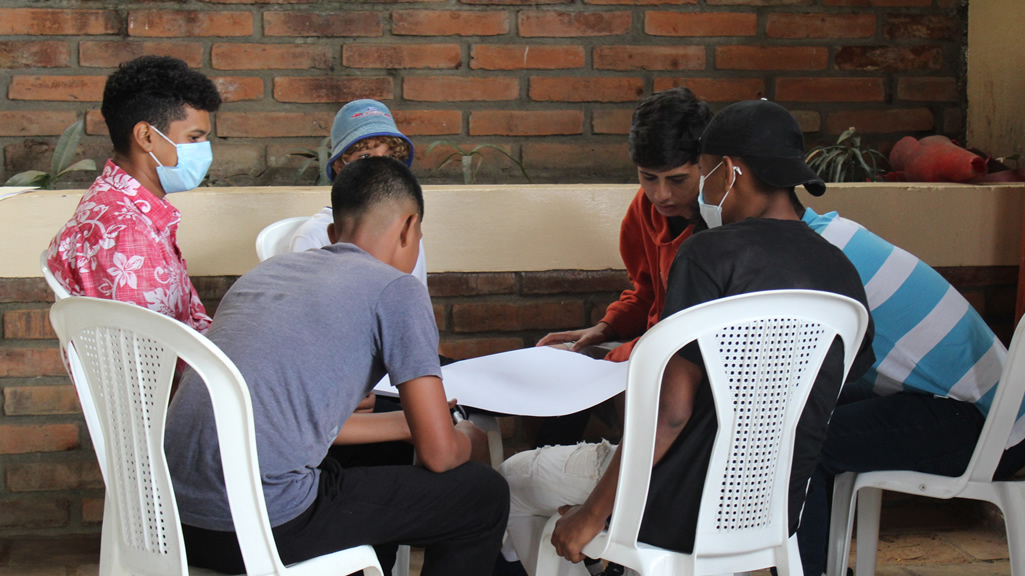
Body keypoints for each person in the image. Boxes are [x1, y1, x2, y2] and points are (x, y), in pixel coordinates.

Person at [500, 100, 875, 576]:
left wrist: (593, 514)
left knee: (510, 480)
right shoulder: (839, 270)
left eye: (702, 171)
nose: (699, 187)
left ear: (730, 172)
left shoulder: (708, 254)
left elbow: (672, 413)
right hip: (773, 509)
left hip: (675, 503)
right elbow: (836, 387)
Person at [164, 157, 508, 576]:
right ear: (408, 227)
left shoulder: (263, 275)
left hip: (173, 521)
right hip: (264, 524)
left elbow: (283, 421)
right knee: (483, 496)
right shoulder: (397, 290)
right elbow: (438, 455)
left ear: (332, 234)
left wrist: (405, 426)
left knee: (384, 457)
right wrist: (465, 439)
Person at [794, 175, 1025, 573]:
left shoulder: (814, 259)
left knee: (802, 441)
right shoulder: (832, 232)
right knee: (805, 419)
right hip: (988, 410)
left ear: (737, 178)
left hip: (986, 426)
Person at [45, 55, 221, 332]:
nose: (204, 149)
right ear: (146, 137)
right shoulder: (126, 232)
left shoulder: (114, 202)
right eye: (194, 137)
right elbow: (147, 359)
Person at [537, 87, 712, 362]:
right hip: (646, 351)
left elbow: (694, 333)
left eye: (677, 180)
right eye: (648, 177)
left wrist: (609, 362)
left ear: (706, 165)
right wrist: (606, 327)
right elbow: (647, 295)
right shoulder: (644, 207)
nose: (661, 194)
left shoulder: (727, 220)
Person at [289, 99, 427, 287]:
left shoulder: (408, 229)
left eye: (391, 156)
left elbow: (413, 300)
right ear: (339, 166)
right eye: (365, 156)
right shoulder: (313, 236)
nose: (380, 166)